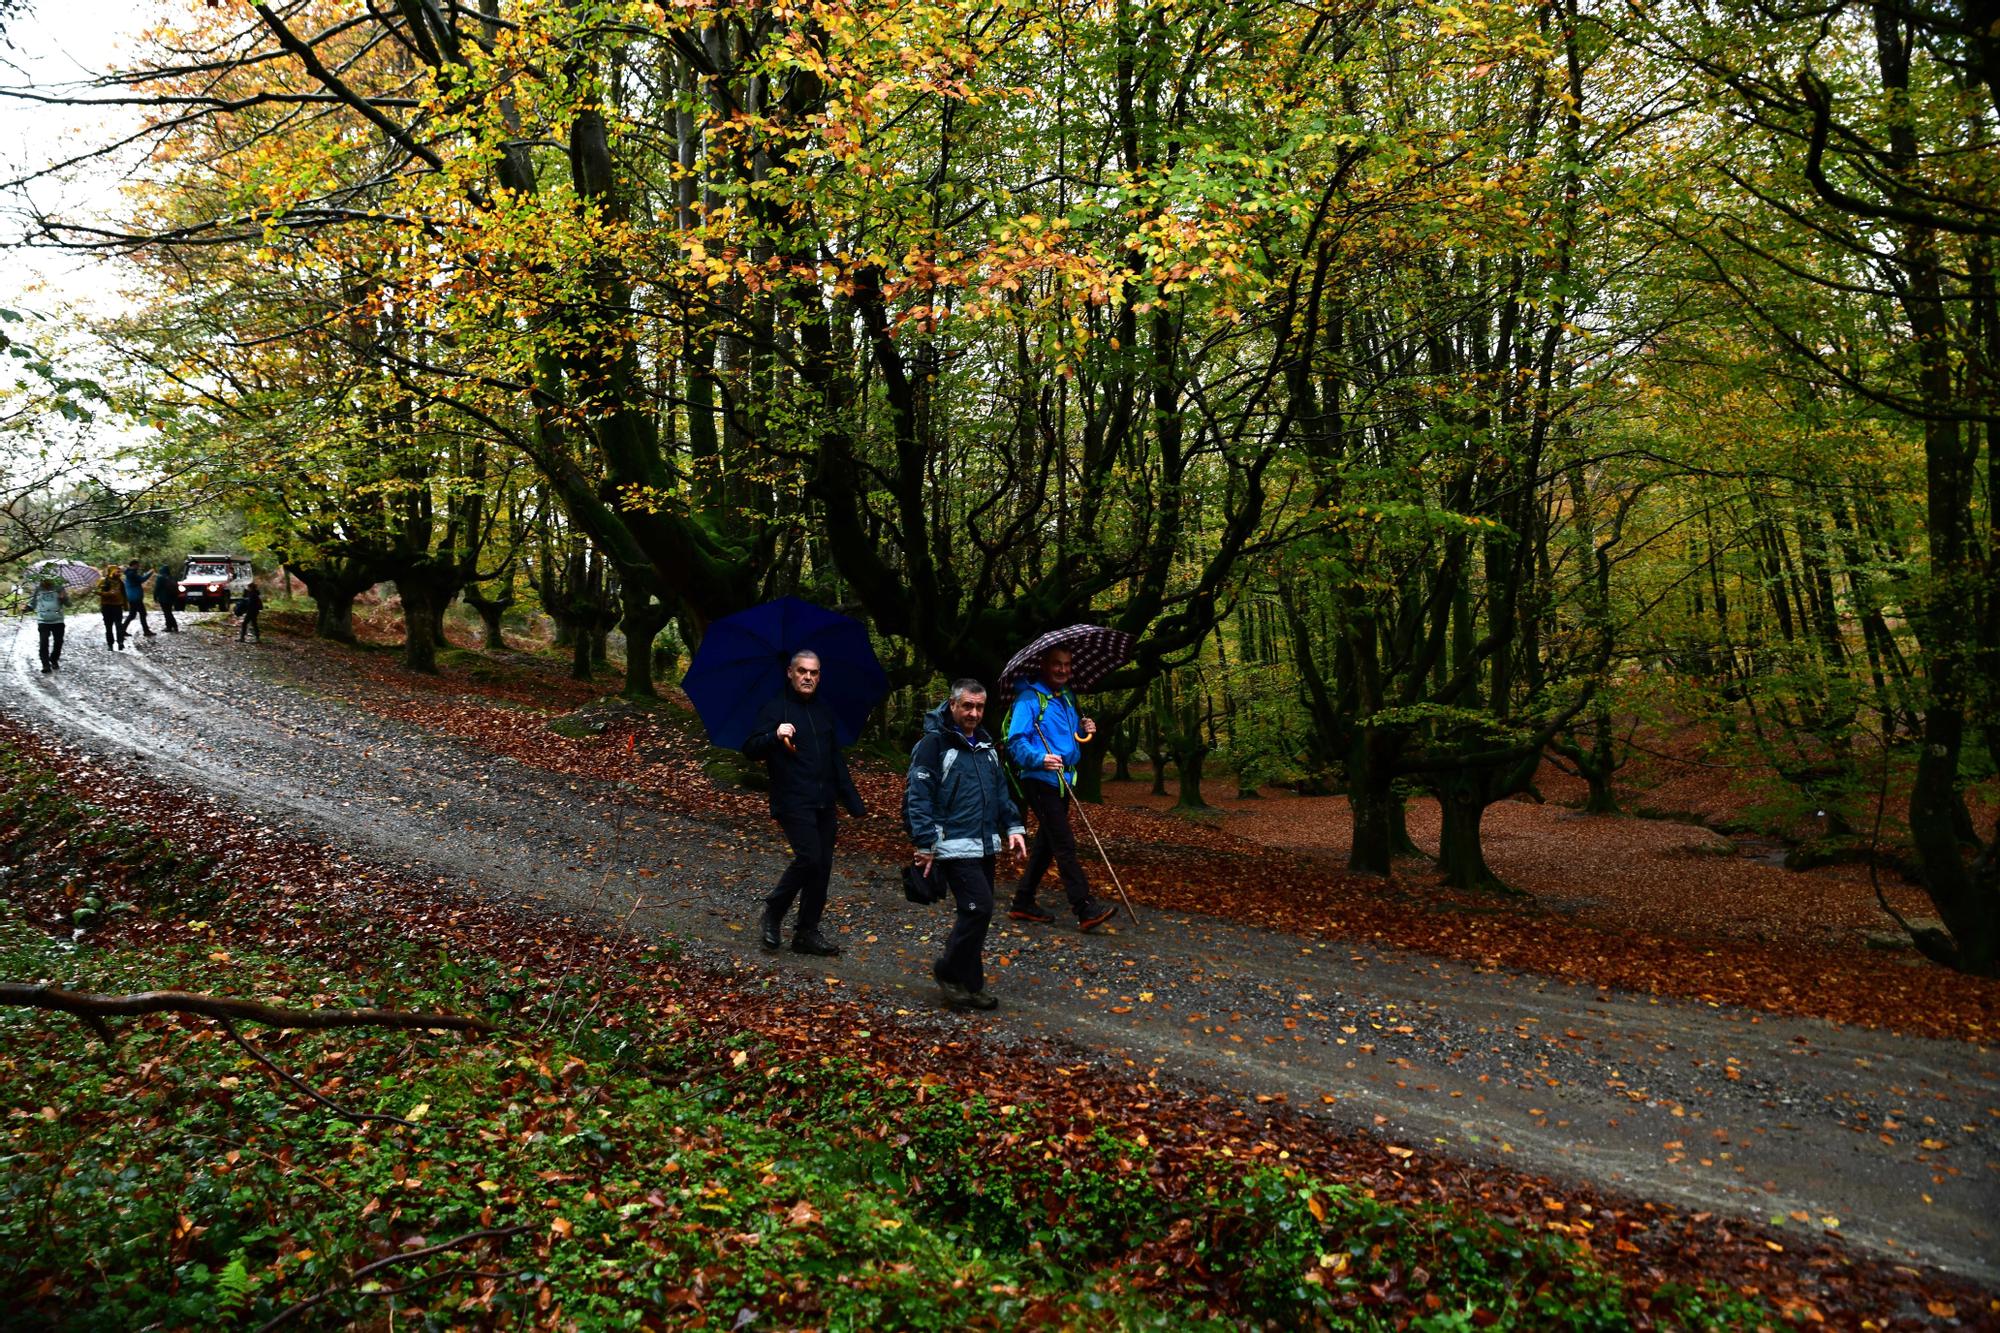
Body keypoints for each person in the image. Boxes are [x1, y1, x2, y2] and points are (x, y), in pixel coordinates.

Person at [904, 679, 1028, 1010]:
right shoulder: (934, 744)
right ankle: (948, 971)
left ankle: (971, 984)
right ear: (953, 705)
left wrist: (1014, 827)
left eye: (979, 707)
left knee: (979, 914)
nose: (974, 713)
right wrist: (924, 842)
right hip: (952, 845)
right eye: (967, 706)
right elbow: (918, 795)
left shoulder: (986, 746)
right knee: (979, 908)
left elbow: (1000, 792)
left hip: (985, 844)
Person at [740, 650, 864, 956]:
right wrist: (774, 734)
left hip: (824, 801)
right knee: (809, 858)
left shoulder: (823, 711)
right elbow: (750, 749)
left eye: (814, 672)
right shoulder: (775, 708)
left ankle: (806, 933)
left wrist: (852, 800)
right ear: (790, 673)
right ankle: (773, 911)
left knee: (822, 867)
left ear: (819, 676)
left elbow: (835, 758)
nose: (808, 677)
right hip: (792, 799)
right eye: (802, 671)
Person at [1003, 647, 1117, 932]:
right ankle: (1084, 907)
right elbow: (1016, 741)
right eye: (1056, 664)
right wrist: (1039, 759)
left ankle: (1022, 902)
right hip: (1039, 779)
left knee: (1047, 844)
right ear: (1043, 665)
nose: (1063, 670)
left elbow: (1070, 739)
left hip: (1063, 781)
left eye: (1067, 664)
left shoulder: (1066, 697)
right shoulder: (1029, 699)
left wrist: (1085, 728)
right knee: (1064, 842)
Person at [29, 575, 66, 673]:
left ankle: (54, 659)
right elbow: (33, 603)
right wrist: (27, 608)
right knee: (43, 642)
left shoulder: (59, 588)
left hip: (58, 620)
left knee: (58, 642)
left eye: (48, 579)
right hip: (43, 620)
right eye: (44, 580)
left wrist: (63, 598)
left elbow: (68, 604)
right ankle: (45, 665)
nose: (46, 582)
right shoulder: (38, 589)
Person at [95, 565, 129, 651]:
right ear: (111, 572)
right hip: (106, 606)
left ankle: (120, 642)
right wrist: (108, 593)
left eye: (119, 572)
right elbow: (96, 591)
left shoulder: (120, 582)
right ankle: (110, 644)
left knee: (119, 625)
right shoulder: (103, 581)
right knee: (108, 626)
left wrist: (125, 606)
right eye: (117, 571)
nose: (119, 573)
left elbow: (124, 594)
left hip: (117, 606)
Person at [120, 562, 154, 638]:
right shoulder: (131, 574)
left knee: (132, 614)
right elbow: (142, 579)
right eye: (137, 565)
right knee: (142, 613)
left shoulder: (130, 573)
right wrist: (150, 573)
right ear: (133, 565)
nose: (138, 567)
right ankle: (146, 631)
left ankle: (122, 630)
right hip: (135, 598)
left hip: (133, 597)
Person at [154, 561, 180, 633]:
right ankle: (172, 626)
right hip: (171, 598)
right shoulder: (172, 577)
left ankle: (171, 627)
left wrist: (155, 596)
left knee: (167, 613)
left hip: (163, 598)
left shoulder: (160, 578)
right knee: (169, 612)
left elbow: (157, 588)